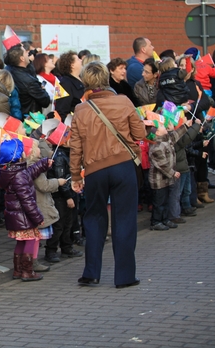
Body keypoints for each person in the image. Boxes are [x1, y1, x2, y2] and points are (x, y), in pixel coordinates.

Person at [69, 61, 146, 288]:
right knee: (124, 219)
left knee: (94, 218)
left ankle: (91, 273)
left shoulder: (81, 110)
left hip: (94, 170)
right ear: (106, 79)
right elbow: (140, 132)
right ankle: (125, 276)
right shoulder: (124, 101)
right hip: (123, 166)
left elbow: (76, 148)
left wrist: (75, 176)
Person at [0, 138, 50, 282]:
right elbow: (27, 201)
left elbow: (29, 173)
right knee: (31, 240)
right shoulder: (19, 175)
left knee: (21, 242)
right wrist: (38, 217)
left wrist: (43, 164)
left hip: (16, 217)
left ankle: (18, 270)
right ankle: (27, 271)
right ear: (19, 155)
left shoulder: (11, 172)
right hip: (24, 216)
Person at [148, 121, 188, 230]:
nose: (164, 126)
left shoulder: (166, 139)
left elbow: (175, 135)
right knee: (159, 202)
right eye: (161, 126)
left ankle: (165, 219)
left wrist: (186, 126)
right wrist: (173, 173)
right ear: (157, 133)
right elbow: (162, 165)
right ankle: (156, 221)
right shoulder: (156, 146)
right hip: (158, 180)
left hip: (166, 179)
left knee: (165, 201)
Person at [46, 138, 81, 263]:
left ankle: (67, 246)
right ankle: (51, 250)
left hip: (69, 191)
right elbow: (61, 178)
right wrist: (68, 196)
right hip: (61, 195)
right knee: (59, 224)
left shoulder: (67, 153)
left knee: (68, 222)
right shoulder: (59, 155)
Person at [4, 45, 50, 117]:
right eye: (25, 52)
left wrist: (34, 52)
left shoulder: (8, 69)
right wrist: (42, 89)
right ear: (22, 58)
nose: (28, 53)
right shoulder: (29, 82)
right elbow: (45, 101)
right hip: (30, 119)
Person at [55, 50, 84, 122]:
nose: (81, 60)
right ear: (72, 65)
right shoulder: (64, 84)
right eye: (78, 59)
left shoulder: (82, 79)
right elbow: (61, 110)